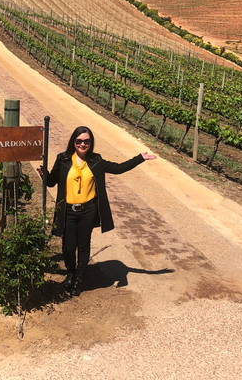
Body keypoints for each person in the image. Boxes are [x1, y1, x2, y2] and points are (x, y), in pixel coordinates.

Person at [39, 126, 156, 296]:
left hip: (88, 210)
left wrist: (140, 158)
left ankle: (79, 278)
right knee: (69, 246)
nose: (82, 144)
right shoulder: (63, 160)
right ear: (74, 142)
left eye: (86, 141)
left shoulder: (96, 161)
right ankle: (70, 273)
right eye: (79, 141)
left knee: (84, 245)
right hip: (68, 212)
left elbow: (118, 168)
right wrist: (45, 175)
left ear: (91, 143)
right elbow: (51, 182)